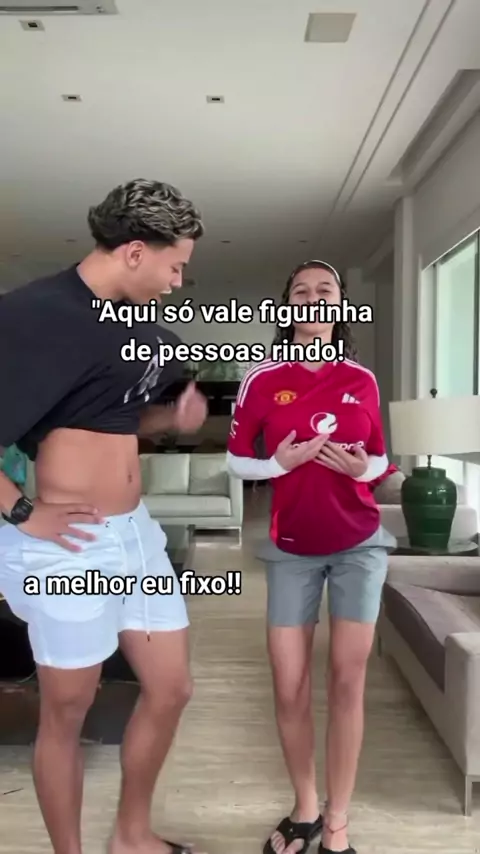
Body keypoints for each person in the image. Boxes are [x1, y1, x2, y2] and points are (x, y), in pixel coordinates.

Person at [0, 179, 209, 854]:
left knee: (171, 688)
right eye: (175, 266)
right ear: (134, 252)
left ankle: (131, 834)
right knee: (67, 710)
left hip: (134, 534)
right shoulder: (32, 315)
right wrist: (22, 511)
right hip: (67, 543)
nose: (178, 282)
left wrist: (170, 419)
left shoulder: (141, 329)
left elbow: (119, 420)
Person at [227, 260, 396, 854]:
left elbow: (382, 459)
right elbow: (236, 460)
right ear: (287, 306)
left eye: (325, 289)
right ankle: (305, 809)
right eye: (301, 290)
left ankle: (337, 822)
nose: (313, 297)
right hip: (291, 547)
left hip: (359, 544)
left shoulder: (363, 380)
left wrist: (363, 469)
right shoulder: (261, 379)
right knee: (289, 684)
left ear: (341, 304)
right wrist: (278, 464)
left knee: (347, 681)